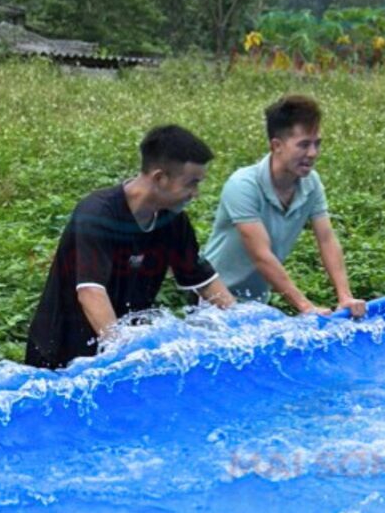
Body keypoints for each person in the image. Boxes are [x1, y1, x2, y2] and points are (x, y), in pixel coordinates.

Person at [25, 124, 237, 370]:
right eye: (191, 183)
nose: (195, 194)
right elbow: (91, 292)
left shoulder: (172, 220)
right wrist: (122, 354)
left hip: (119, 349)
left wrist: (241, 325)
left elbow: (205, 281)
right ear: (159, 178)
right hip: (61, 353)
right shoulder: (98, 214)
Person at [202, 95, 366, 319]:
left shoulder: (311, 183)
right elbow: (261, 255)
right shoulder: (243, 185)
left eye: (317, 144)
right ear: (276, 145)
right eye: (304, 144)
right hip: (212, 298)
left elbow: (326, 239)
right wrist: (306, 307)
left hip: (256, 302)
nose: (313, 153)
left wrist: (345, 296)